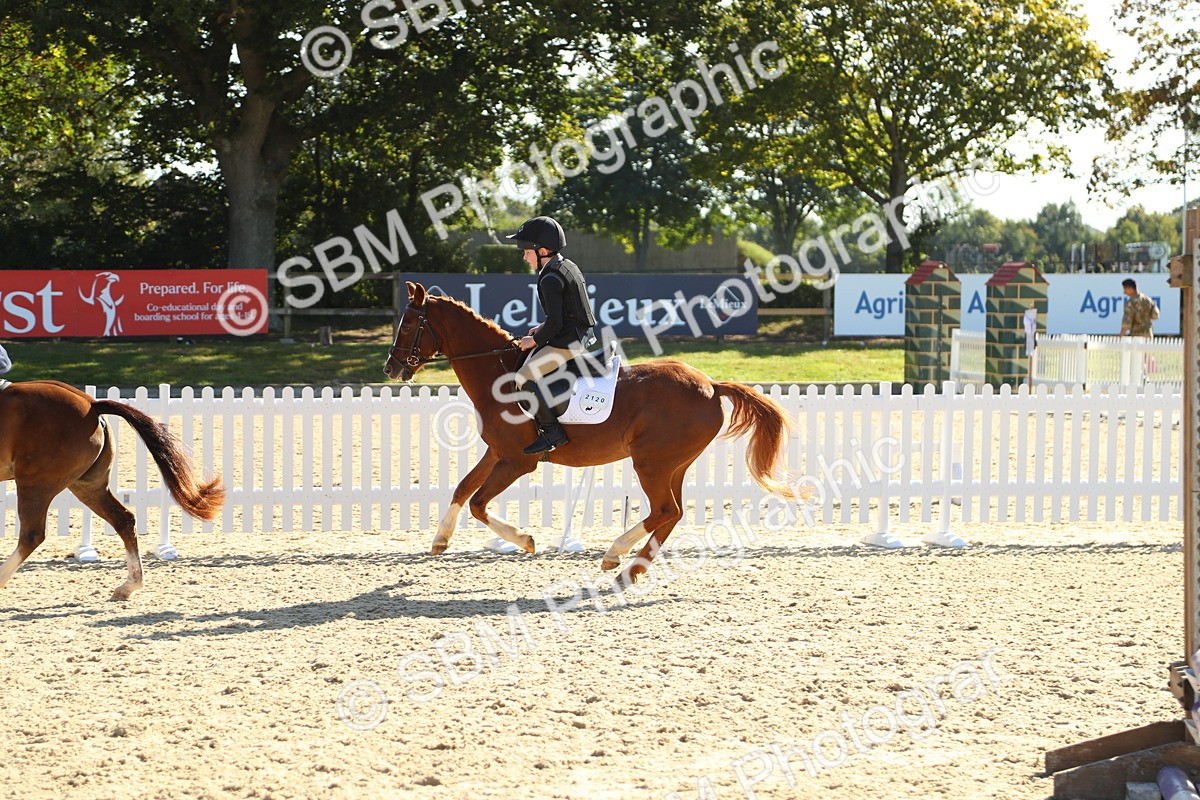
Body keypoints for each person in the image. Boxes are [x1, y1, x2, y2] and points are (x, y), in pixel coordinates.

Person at [506, 215, 597, 455]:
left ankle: (551, 431)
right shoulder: (566, 265)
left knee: (524, 377)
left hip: (569, 341)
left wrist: (533, 340)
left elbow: (556, 322)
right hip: (580, 333)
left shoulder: (549, 278)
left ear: (543, 251)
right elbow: (566, 312)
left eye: (527, 252)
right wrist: (542, 327)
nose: (524, 257)